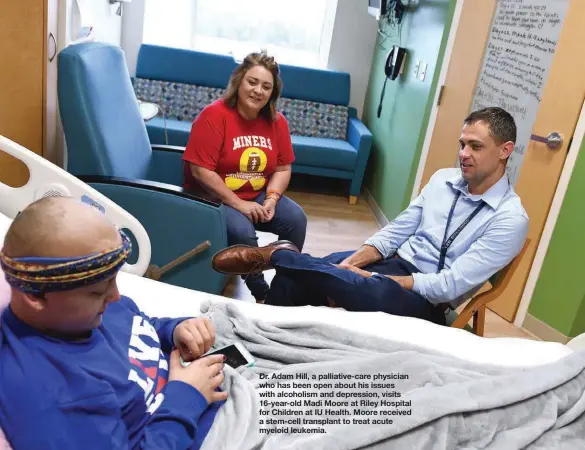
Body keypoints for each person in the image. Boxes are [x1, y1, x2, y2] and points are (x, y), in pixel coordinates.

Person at [211, 107, 529, 324]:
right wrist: (353, 265)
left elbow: (448, 286)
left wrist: (376, 279)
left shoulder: (509, 219)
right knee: (303, 277)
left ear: (505, 150)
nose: (463, 154)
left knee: (346, 282)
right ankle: (265, 332)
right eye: (462, 144)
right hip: (392, 262)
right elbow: (395, 232)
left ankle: (280, 255)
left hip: (426, 298)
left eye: (475, 146)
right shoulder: (443, 179)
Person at [0, 197, 227, 449]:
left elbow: (138, 325)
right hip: (204, 427)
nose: (116, 296)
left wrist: (174, 330)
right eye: (98, 292)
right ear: (36, 296)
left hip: (198, 385)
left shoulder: (78, 311)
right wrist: (187, 396)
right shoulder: (52, 397)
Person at [182, 51, 307, 303]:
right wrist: (240, 205)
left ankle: (286, 285)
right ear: (239, 81)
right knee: (243, 232)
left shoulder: (277, 122)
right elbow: (200, 170)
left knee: (296, 219)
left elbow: (283, 168)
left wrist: (270, 200)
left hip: (257, 192)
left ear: (273, 92)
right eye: (252, 82)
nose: (258, 91)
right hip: (212, 195)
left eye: (266, 86)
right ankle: (262, 294)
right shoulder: (214, 115)